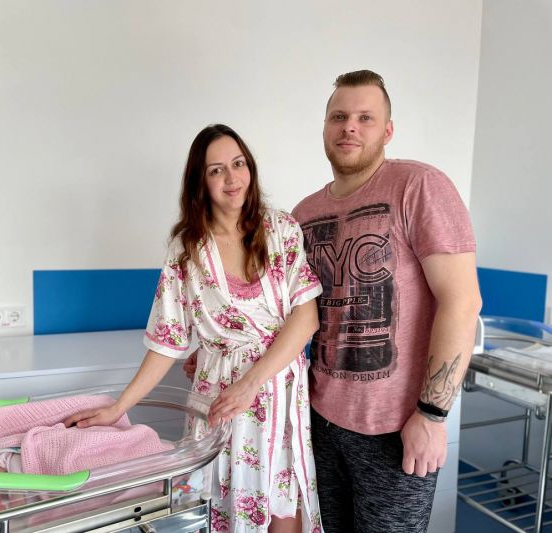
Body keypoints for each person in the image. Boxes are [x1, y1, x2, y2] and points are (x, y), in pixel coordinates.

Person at [64, 124, 324, 533]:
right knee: (226, 509)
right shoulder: (188, 251)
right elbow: (166, 342)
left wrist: (251, 382)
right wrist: (118, 407)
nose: (232, 178)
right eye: (216, 170)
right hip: (219, 399)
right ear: (200, 182)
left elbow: (306, 317)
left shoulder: (281, 229)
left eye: (238, 164)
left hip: (279, 389)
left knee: (284, 509)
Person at [290, 70, 482, 532]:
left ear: (387, 130)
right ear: (325, 128)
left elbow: (462, 302)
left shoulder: (418, 186)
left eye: (365, 118)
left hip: (397, 428)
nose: (349, 127)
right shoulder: (303, 214)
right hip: (319, 419)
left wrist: (432, 415)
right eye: (339, 117)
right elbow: (294, 317)